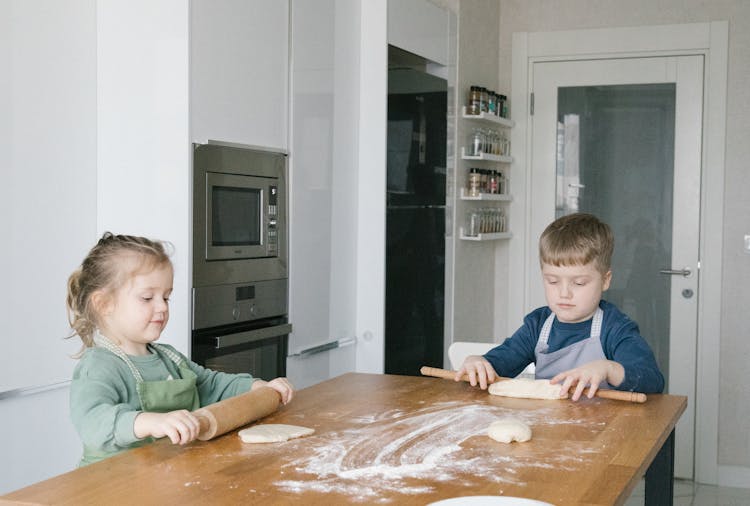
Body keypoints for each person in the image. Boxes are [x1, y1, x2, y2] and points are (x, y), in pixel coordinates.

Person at [67, 232, 294, 466]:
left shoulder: (169, 358)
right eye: (147, 298)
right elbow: (92, 423)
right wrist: (150, 422)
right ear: (104, 304)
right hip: (110, 487)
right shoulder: (98, 366)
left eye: (166, 298)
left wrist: (258, 387)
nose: (162, 307)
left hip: (165, 475)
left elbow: (210, 384)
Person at [456, 213, 664, 401]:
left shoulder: (615, 329)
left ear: (605, 280)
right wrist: (481, 363)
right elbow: (502, 362)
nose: (564, 293)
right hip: (550, 429)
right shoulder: (537, 326)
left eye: (579, 283)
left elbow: (652, 380)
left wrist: (609, 369)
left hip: (602, 434)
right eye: (553, 281)